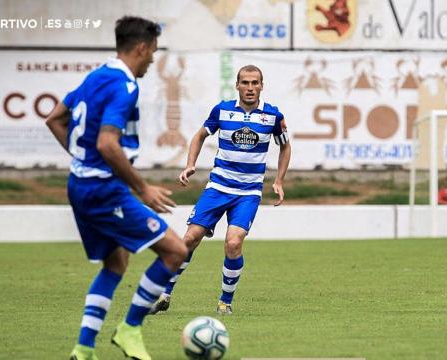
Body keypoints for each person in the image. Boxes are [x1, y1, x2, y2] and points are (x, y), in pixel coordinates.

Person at [45, 16, 187, 360]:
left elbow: (54, 118)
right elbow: (109, 144)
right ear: (141, 47)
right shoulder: (124, 86)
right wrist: (142, 188)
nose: (153, 59)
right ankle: (130, 329)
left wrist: (83, 160)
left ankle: (83, 349)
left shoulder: (96, 77)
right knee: (175, 252)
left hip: (79, 186)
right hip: (105, 190)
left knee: (115, 264)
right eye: (152, 50)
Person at [148, 65, 291, 315]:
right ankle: (165, 294)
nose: (250, 88)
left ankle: (225, 302)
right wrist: (190, 164)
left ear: (261, 86)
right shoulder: (222, 110)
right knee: (190, 238)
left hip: (248, 192)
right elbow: (199, 136)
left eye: (254, 83)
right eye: (245, 83)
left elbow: (285, 147)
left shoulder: (273, 116)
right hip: (218, 187)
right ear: (237, 85)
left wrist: (278, 180)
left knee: (234, 243)